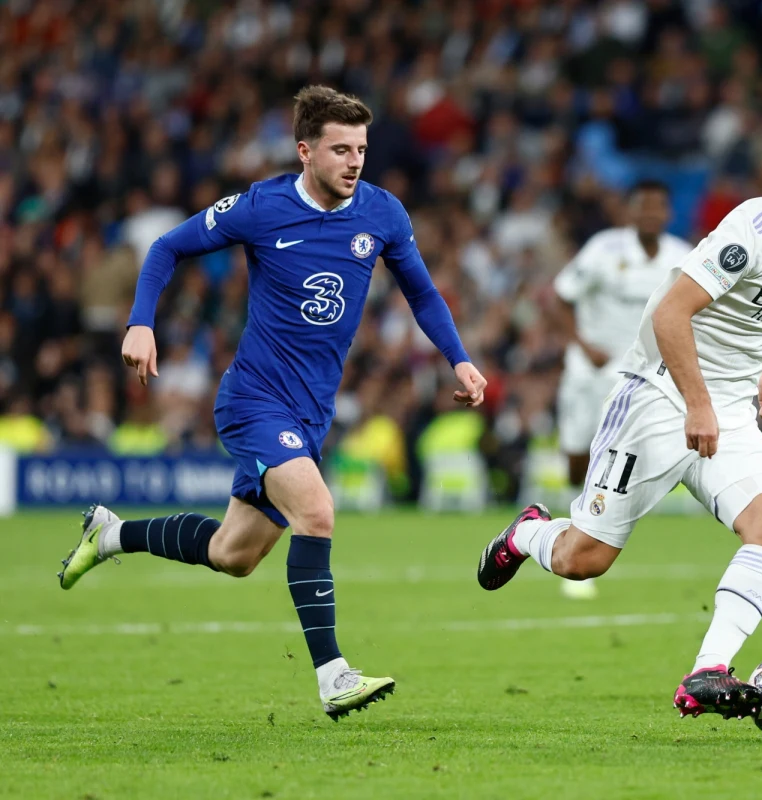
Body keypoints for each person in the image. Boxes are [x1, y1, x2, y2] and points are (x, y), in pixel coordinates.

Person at [57, 86, 487, 721]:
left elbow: (422, 294)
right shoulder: (262, 206)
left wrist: (461, 358)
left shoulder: (383, 214)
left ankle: (112, 533)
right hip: (253, 400)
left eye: (362, 149)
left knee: (234, 555)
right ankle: (334, 675)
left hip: (308, 415)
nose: (355, 161)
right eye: (341, 149)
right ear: (305, 151)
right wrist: (140, 322)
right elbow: (165, 248)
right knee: (317, 511)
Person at [477, 128, 762, 720]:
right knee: (582, 559)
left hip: (731, 407)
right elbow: (672, 314)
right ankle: (527, 534)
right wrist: (698, 403)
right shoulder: (752, 230)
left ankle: (708, 669)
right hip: (660, 393)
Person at [553, 179, 692, 600]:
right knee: (578, 454)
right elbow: (562, 295)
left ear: (668, 213)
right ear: (630, 212)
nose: (651, 214)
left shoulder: (682, 256)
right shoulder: (603, 249)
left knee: (615, 458)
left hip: (640, 371)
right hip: (590, 367)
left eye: (658, 207)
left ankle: (589, 542)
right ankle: (568, 527)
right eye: (643, 207)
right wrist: (582, 345)